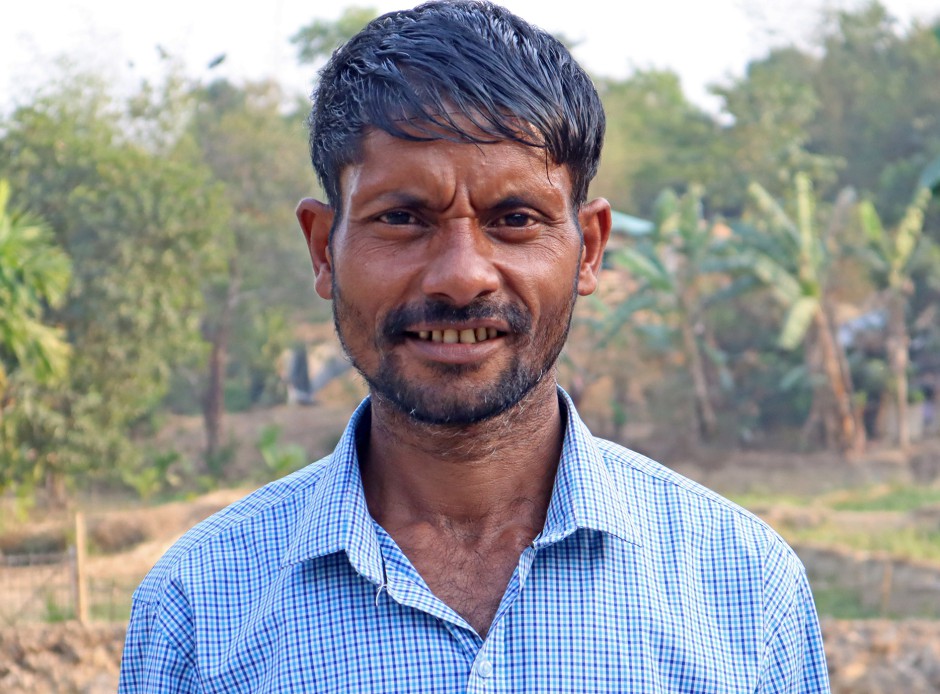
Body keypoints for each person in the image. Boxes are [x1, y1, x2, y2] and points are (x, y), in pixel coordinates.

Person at [119, 2, 830, 691]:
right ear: (322, 248)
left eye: (515, 218)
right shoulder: (198, 612)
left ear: (590, 250)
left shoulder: (743, 588)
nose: (461, 276)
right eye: (402, 218)